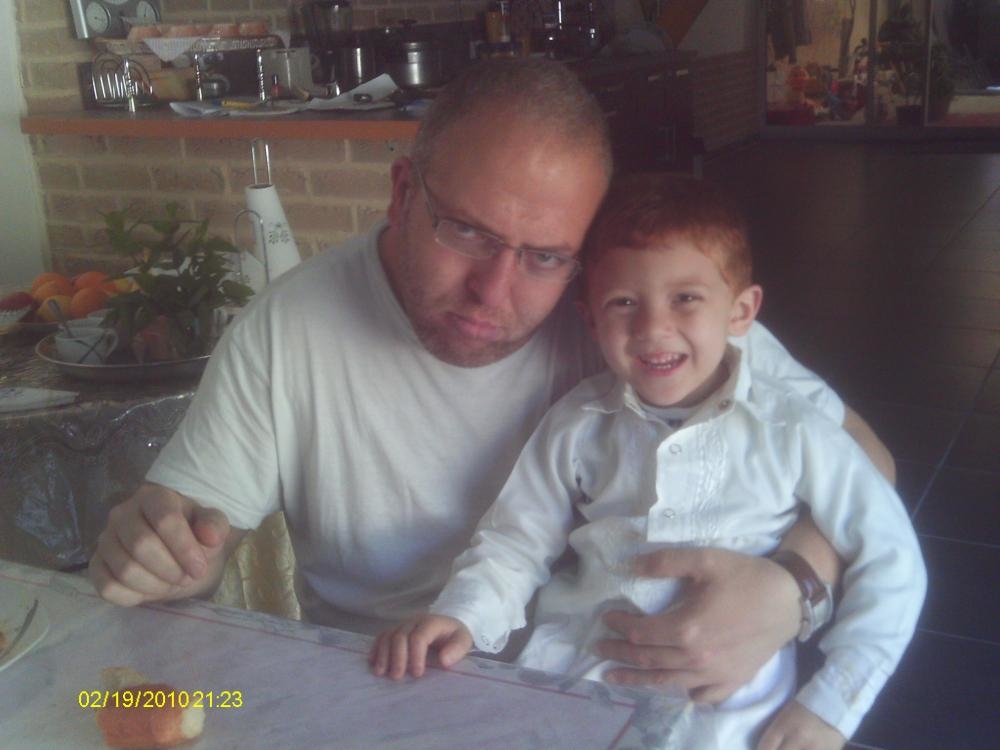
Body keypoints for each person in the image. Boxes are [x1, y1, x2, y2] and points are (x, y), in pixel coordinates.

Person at [90, 58, 892, 700]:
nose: (494, 292)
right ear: (403, 193)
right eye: (467, 232)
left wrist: (793, 586)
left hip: (595, 688)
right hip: (383, 691)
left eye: (545, 256)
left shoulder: (631, 315)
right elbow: (190, 536)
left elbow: (868, 458)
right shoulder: (285, 328)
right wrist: (161, 554)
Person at [370, 174, 926, 750]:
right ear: (591, 319)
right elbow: (516, 539)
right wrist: (463, 614)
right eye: (624, 302)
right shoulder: (577, 422)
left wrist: (830, 707)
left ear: (741, 312)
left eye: (686, 298)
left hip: (726, 720)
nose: (653, 328)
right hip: (574, 692)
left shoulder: (795, 430)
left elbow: (893, 560)